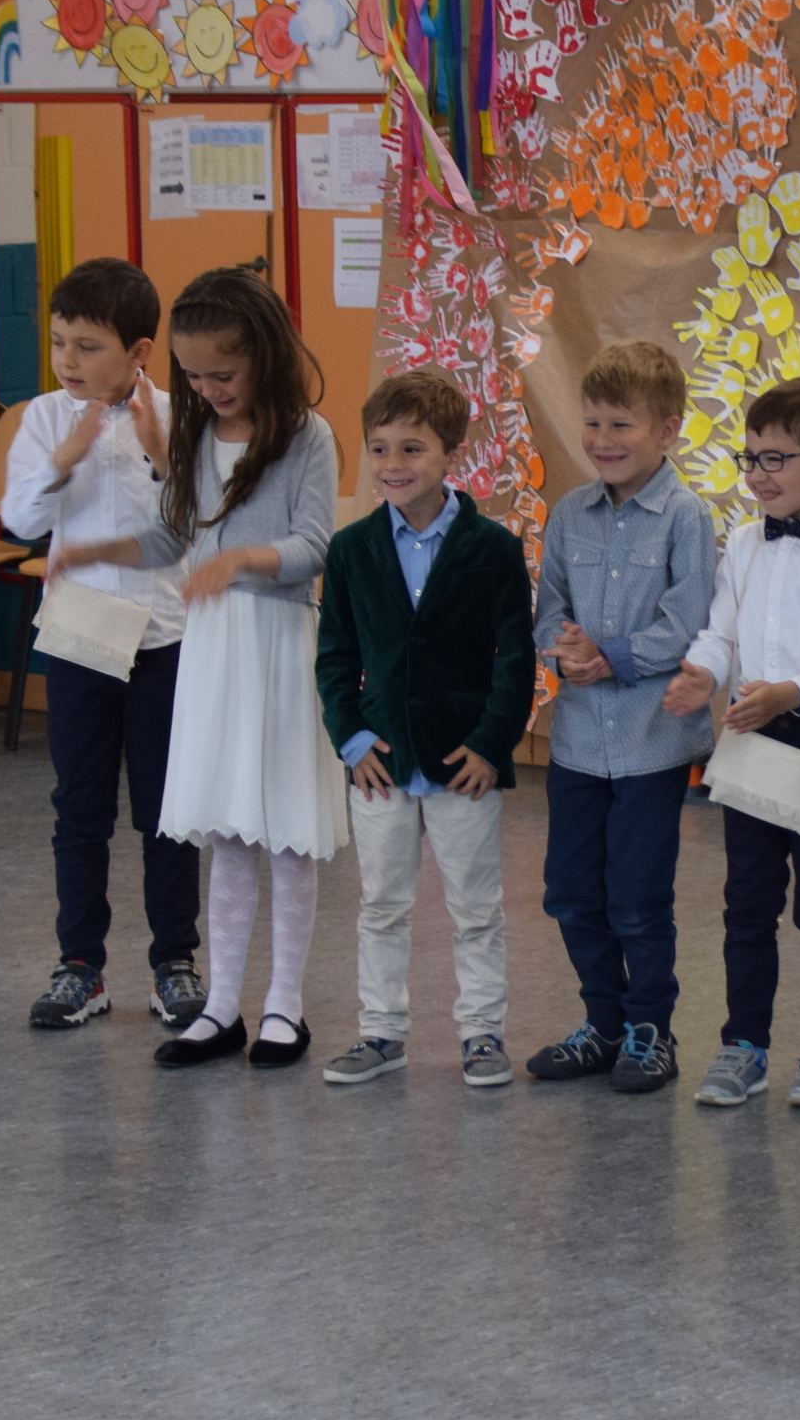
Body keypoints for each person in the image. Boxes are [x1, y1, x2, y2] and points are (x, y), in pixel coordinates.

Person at [49, 267, 345, 1071]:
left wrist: (238, 560)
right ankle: (220, 1008)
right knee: (229, 834)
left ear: (266, 358)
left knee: (285, 833)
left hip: (276, 645)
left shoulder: (307, 437)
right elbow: (173, 535)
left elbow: (314, 548)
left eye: (224, 374)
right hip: (213, 652)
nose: (208, 390)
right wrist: (92, 551)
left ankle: (284, 1007)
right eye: (193, 376)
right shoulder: (194, 433)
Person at [666, 377, 800, 1111]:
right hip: (751, 737)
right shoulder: (742, 542)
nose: (758, 476)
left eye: (775, 460)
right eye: (750, 458)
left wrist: (792, 692)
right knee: (747, 903)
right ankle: (743, 1044)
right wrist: (703, 672)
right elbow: (721, 630)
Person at [0, 257, 205, 1032]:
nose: (68, 361)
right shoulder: (44, 418)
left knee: (166, 810)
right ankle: (80, 965)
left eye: (88, 346)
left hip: (164, 636)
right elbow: (20, 520)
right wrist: (63, 460)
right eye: (59, 343)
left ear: (139, 351)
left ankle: (175, 962)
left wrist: (157, 450)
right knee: (79, 807)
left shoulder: (181, 416)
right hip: (81, 636)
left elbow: (199, 522)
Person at [318, 369, 535, 1089]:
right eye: (380, 449)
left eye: (412, 449)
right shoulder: (350, 550)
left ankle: (482, 1033)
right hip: (379, 761)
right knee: (380, 904)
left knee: (475, 907)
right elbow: (335, 657)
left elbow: (515, 661)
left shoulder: (494, 549)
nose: (393, 465)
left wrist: (491, 743)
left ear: (451, 454)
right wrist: (351, 739)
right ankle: (381, 1032)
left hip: (463, 762)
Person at [526, 341, 719, 1094]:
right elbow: (549, 610)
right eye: (593, 423)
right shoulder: (569, 515)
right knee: (572, 892)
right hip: (577, 743)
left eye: (621, 425)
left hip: (651, 743)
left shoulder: (686, 517)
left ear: (667, 430)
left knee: (637, 898)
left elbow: (688, 621)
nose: (603, 440)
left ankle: (650, 1029)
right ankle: (603, 1024)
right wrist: (564, 646)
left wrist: (612, 657)